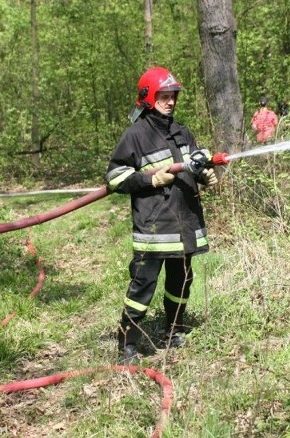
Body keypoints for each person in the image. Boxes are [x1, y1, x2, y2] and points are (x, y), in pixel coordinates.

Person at [106, 66, 218, 365]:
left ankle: (174, 330)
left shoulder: (182, 130)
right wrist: (150, 180)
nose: (170, 102)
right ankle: (127, 342)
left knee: (182, 280)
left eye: (173, 96)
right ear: (147, 98)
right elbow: (115, 178)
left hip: (185, 221)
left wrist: (206, 175)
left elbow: (195, 164)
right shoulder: (136, 135)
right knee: (143, 283)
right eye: (164, 96)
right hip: (154, 226)